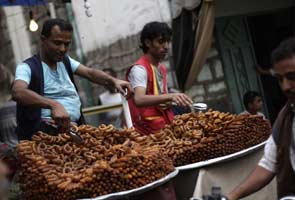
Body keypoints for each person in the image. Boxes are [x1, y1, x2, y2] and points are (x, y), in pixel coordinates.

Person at [12, 18, 132, 140]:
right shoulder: (27, 67)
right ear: (43, 40)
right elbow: (18, 92)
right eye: (57, 43)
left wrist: (114, 81)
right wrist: (53, 104)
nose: (63, 49)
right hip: (43, 135)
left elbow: (89, 73)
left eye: (67, 44)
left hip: (73, 130)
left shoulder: (66, 61)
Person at [227, 37, 295, 199]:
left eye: (292, 77)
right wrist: (230, 197)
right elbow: (269, 164)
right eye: (280, 79)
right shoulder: (285, 118)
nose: (285, 86)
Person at [126, 21, 192, 135]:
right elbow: (139, 99)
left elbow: (160, 99)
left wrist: (174, 101)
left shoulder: (161, 68)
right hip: (146, 132)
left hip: (163, 127)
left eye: (167, 42)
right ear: (147, 43)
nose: (166, 46)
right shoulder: (139, 69)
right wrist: (172, 96)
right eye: (160, 42)